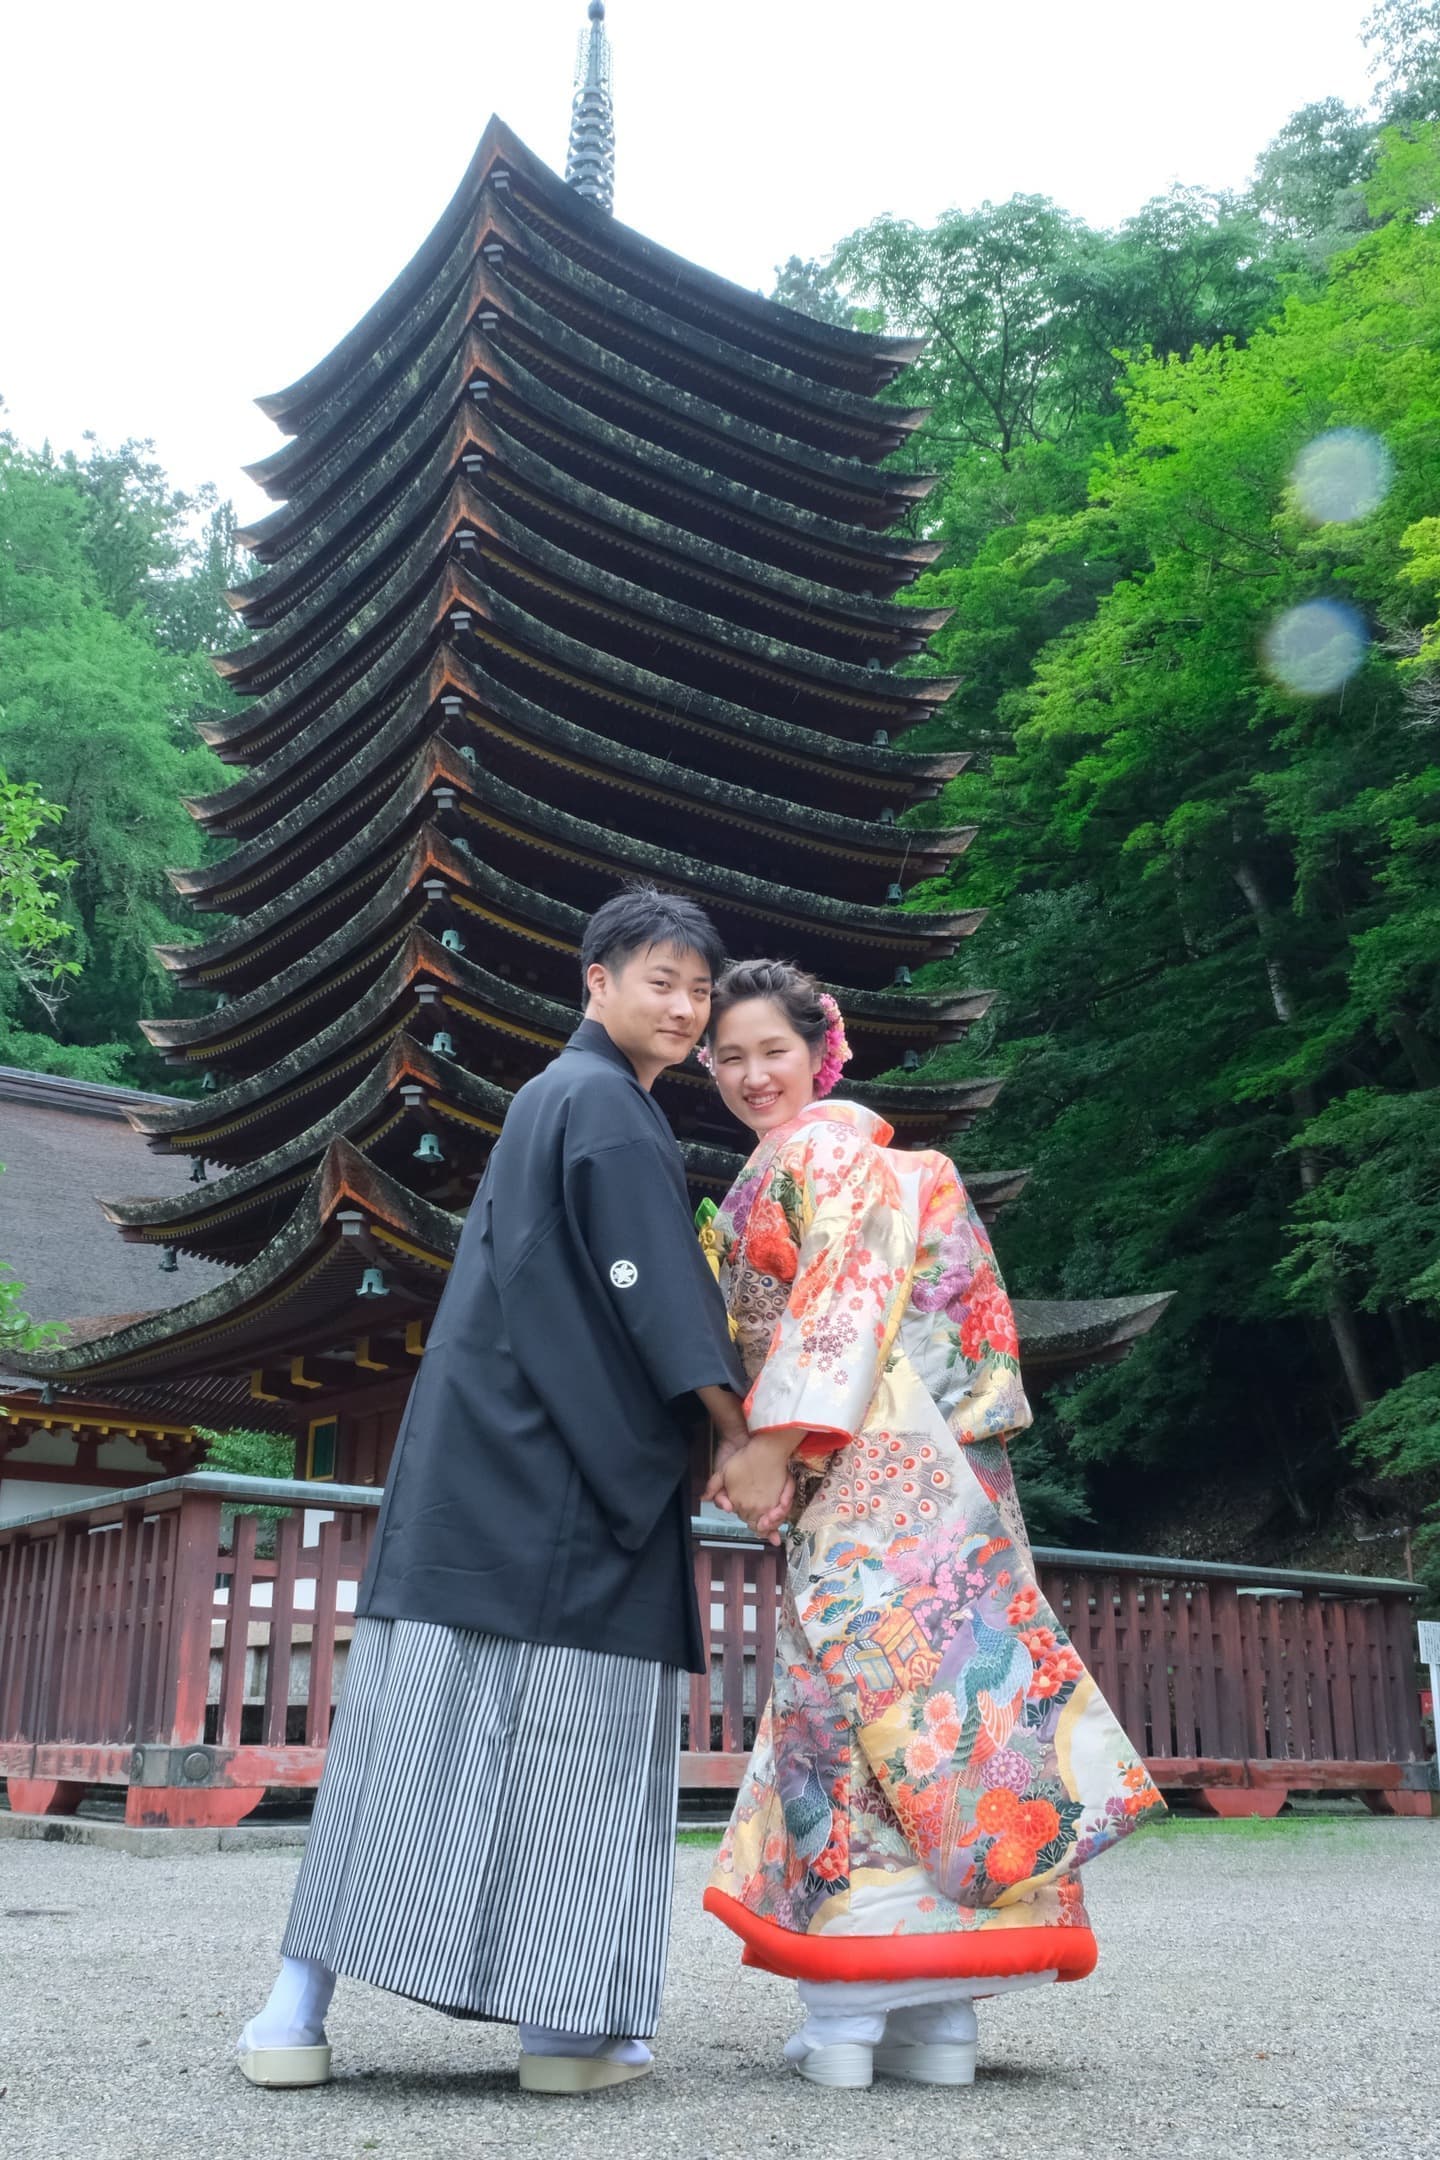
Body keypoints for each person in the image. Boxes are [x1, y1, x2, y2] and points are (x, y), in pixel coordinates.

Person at [238, 887, 764, 2096]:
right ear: (597, 982)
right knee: (575, 1756)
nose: (685, 1009)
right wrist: (737, 1432)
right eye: (661, 982)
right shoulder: (610, 1114)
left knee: (400, 1746)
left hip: (472, 1484)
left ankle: (292, 2012)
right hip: (572, 1494)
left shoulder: (545, 1101)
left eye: (700, 988)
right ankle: (566, 2036)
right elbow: (659, 1301)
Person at [698, 959, 1165, 2090]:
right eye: (730, 1057)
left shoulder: (823, 1156)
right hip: (949, 1475)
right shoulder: (895, 1169)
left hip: (862, 1474)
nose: (755, 1075)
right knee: (963, 1707)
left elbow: (842, 1305)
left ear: (824, 1051)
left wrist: (766, 1445)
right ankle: (946, 2021)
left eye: (774, 1050)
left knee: (847, 1717)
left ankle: (851, 2010)